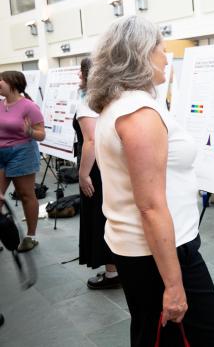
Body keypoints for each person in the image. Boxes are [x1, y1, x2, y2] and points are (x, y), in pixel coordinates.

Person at [87, 15, 214, 347]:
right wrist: (174, 284)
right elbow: (150, 206)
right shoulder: (138, 113)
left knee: (154, 334)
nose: (165, 58)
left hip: (145, 249)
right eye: (160, 49)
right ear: (139, 53)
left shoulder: (121, 105)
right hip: (161, 253)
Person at [73, 58, 120, 289]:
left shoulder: (87, 102)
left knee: (100, 217)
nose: (78, 77)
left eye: (80, 73)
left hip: (95, 168)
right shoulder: (113, 96)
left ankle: (112, 274)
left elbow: (90, 141)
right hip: (110, 164)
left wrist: (83, 174)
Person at [0, 71, 45, 252]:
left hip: (22, 153)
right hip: (1, 153)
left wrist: (30, 132)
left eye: (0, 80)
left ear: (13, 83)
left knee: (26, 195)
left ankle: (30, 236)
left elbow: (41, 134)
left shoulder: (29, 106)